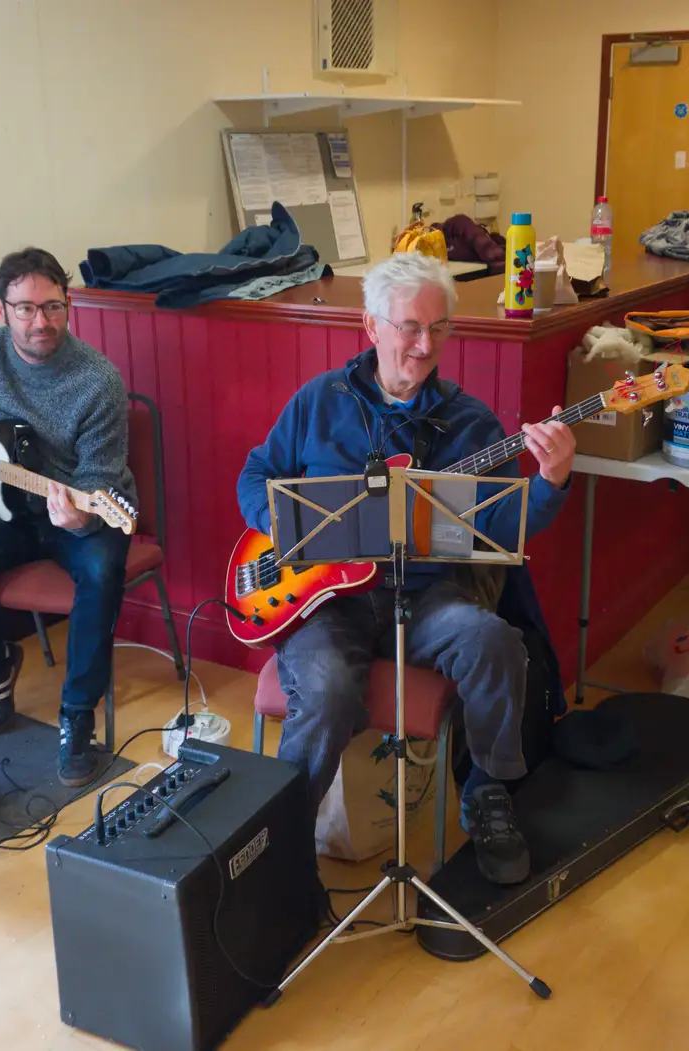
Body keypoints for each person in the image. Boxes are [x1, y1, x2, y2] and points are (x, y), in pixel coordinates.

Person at [236, 253, 575, 884]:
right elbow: (257, 472)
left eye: (439, 328)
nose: (424, 346)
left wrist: (551, 480)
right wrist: (279, 522)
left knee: (494, 641)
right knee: (330, 685)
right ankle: (280, 843)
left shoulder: (471, 423)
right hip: (325, 600)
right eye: (409, 327)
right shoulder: (320, 401)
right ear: (371, 326)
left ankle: (488, 791)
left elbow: (506, 525)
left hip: (425, 597)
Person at [0, 248, 133, 787]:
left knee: (102, 573)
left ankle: (77, 717)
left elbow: (99, 476)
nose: (41, 322)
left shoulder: (97, 380)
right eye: (26, 309)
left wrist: (83, 516)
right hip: (2, 502)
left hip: (79, 507)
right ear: (0, 309)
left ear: (69, 305)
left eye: (54, 307)